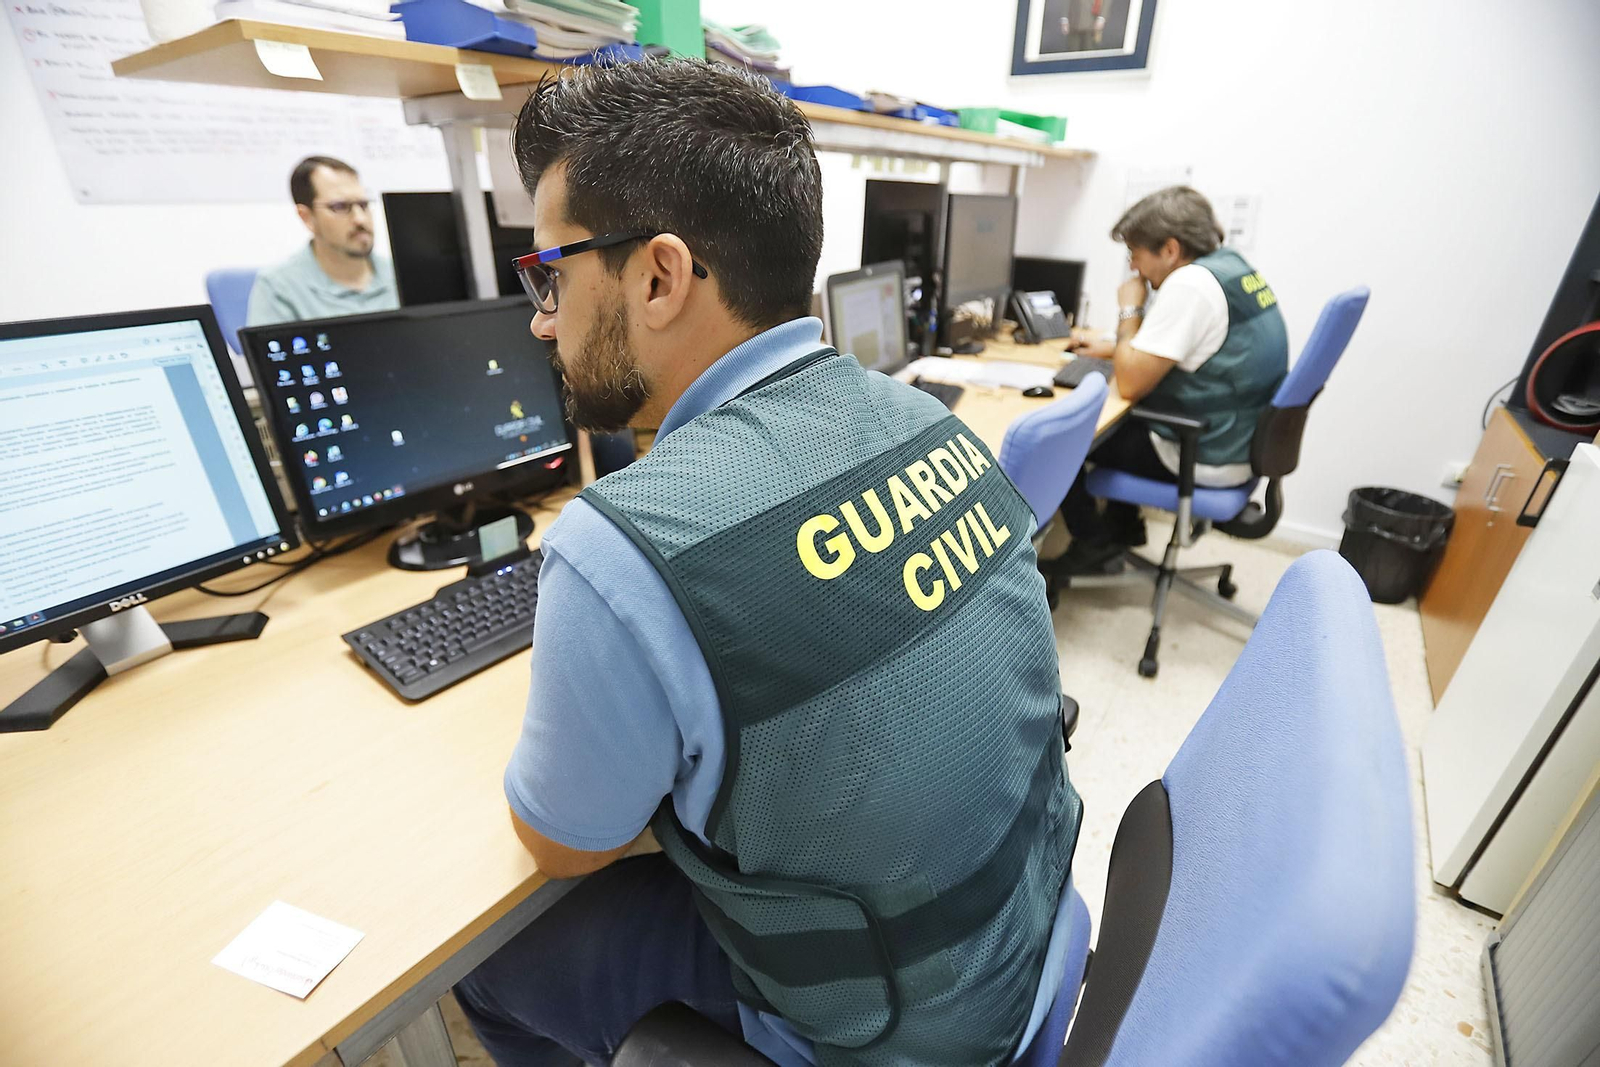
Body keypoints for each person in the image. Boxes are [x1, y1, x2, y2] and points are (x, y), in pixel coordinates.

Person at [452, 59, 1084, 1067]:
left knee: (489, 964)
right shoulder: (925, 422)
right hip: (1014, 939)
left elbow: (564, 843)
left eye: (551, 275)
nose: (541, 318)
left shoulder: (622, 544)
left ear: (658, 277)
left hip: (886, 1031)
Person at [1052, 186, 1288, 574]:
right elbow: (1199, 344)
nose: (1134, 269)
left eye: (1136, 255)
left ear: (1171, 250)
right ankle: (1122, 525)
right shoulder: (1231, 268)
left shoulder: (1191, 286)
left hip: (1204, 450)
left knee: (1066, 434)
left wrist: (1130, 307)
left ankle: (1094, 543)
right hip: (1239, 439)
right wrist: (1117, 345)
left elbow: (1129, 383)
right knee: (1120, 419)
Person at [245, 155, 398, 326]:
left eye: (363, 204)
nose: (360, 219)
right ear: (307, 217)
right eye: (340, 207)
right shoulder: (279, 287)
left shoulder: (400, 274)